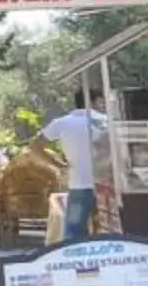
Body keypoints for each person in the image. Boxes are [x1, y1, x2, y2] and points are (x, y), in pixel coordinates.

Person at [39, 104, 108, 244]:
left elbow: (36, 146)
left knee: (74, 231)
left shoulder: (62, 122)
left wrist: (59, 164)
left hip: (79, 185)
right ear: (97, 100)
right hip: (106, 183)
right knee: (108, 230)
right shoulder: (106, 121)